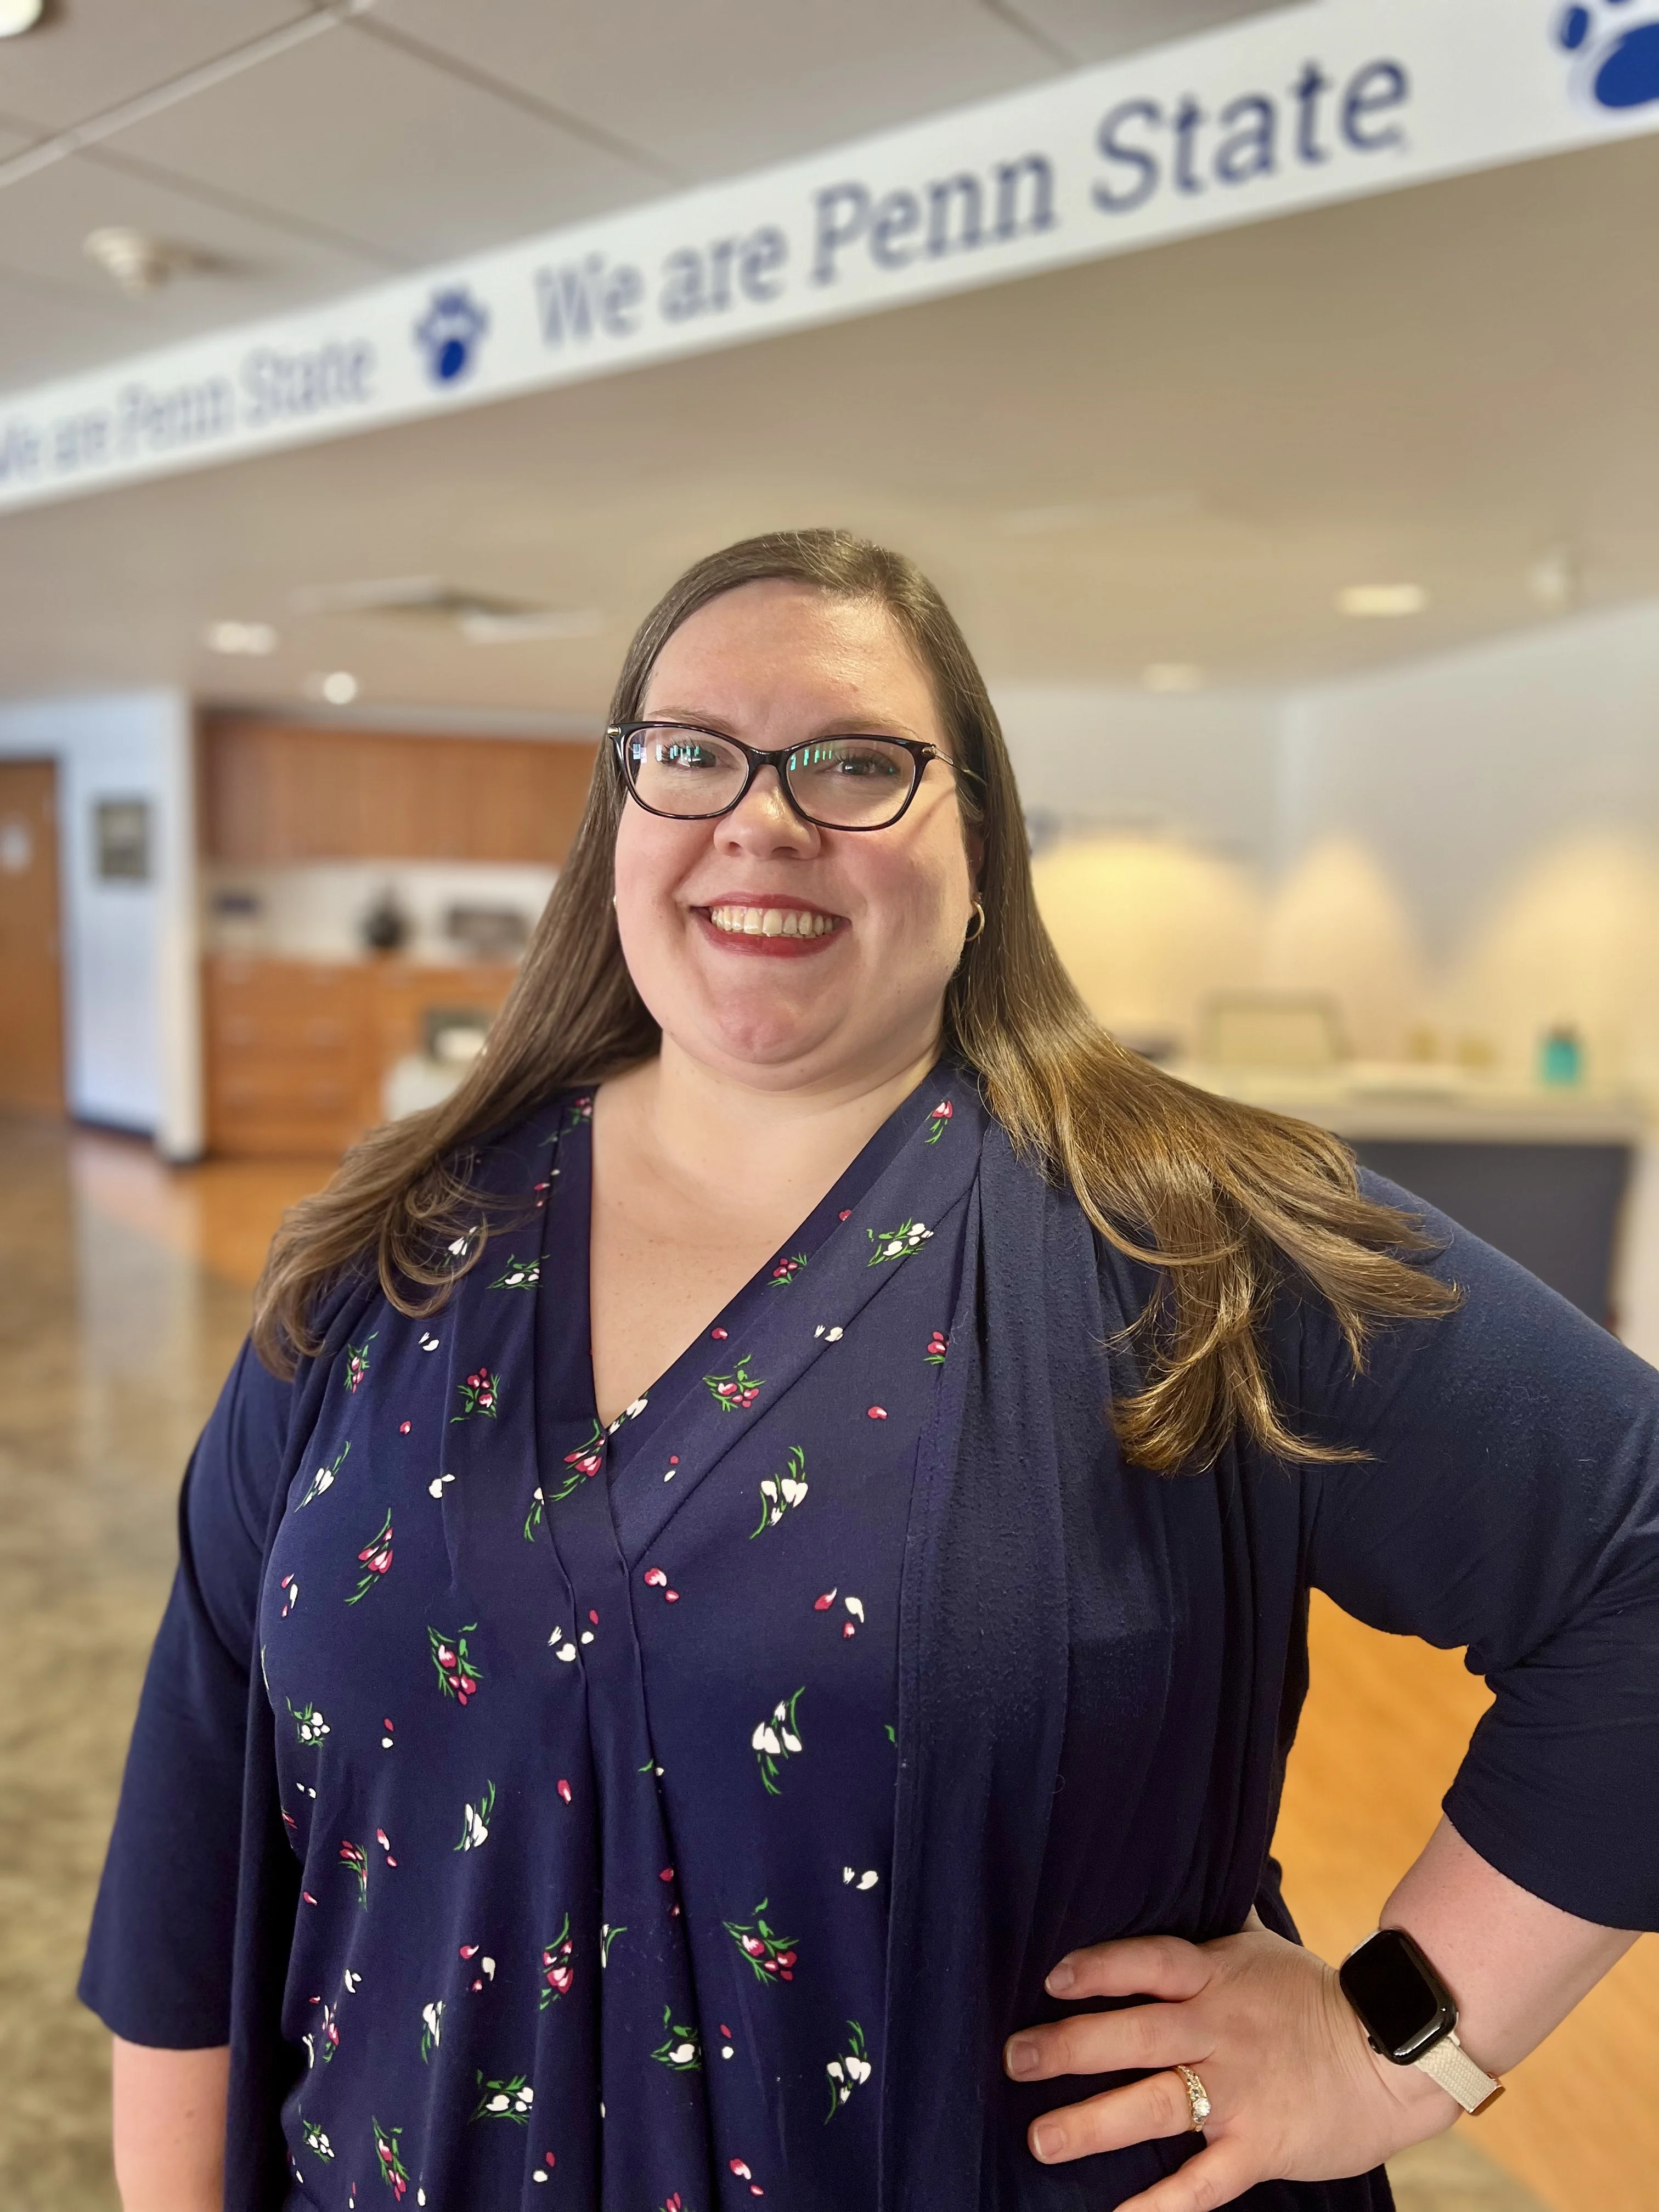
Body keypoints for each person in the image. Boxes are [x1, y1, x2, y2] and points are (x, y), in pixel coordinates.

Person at [83, 530, 1656, 2212]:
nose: (760, 817)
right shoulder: (387, 1261)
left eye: (854, 764)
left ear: (983, 845)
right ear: (620, 821)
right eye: (688, 755)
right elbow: (198, 1854)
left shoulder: (1188, 1246)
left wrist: (1391, 2043)